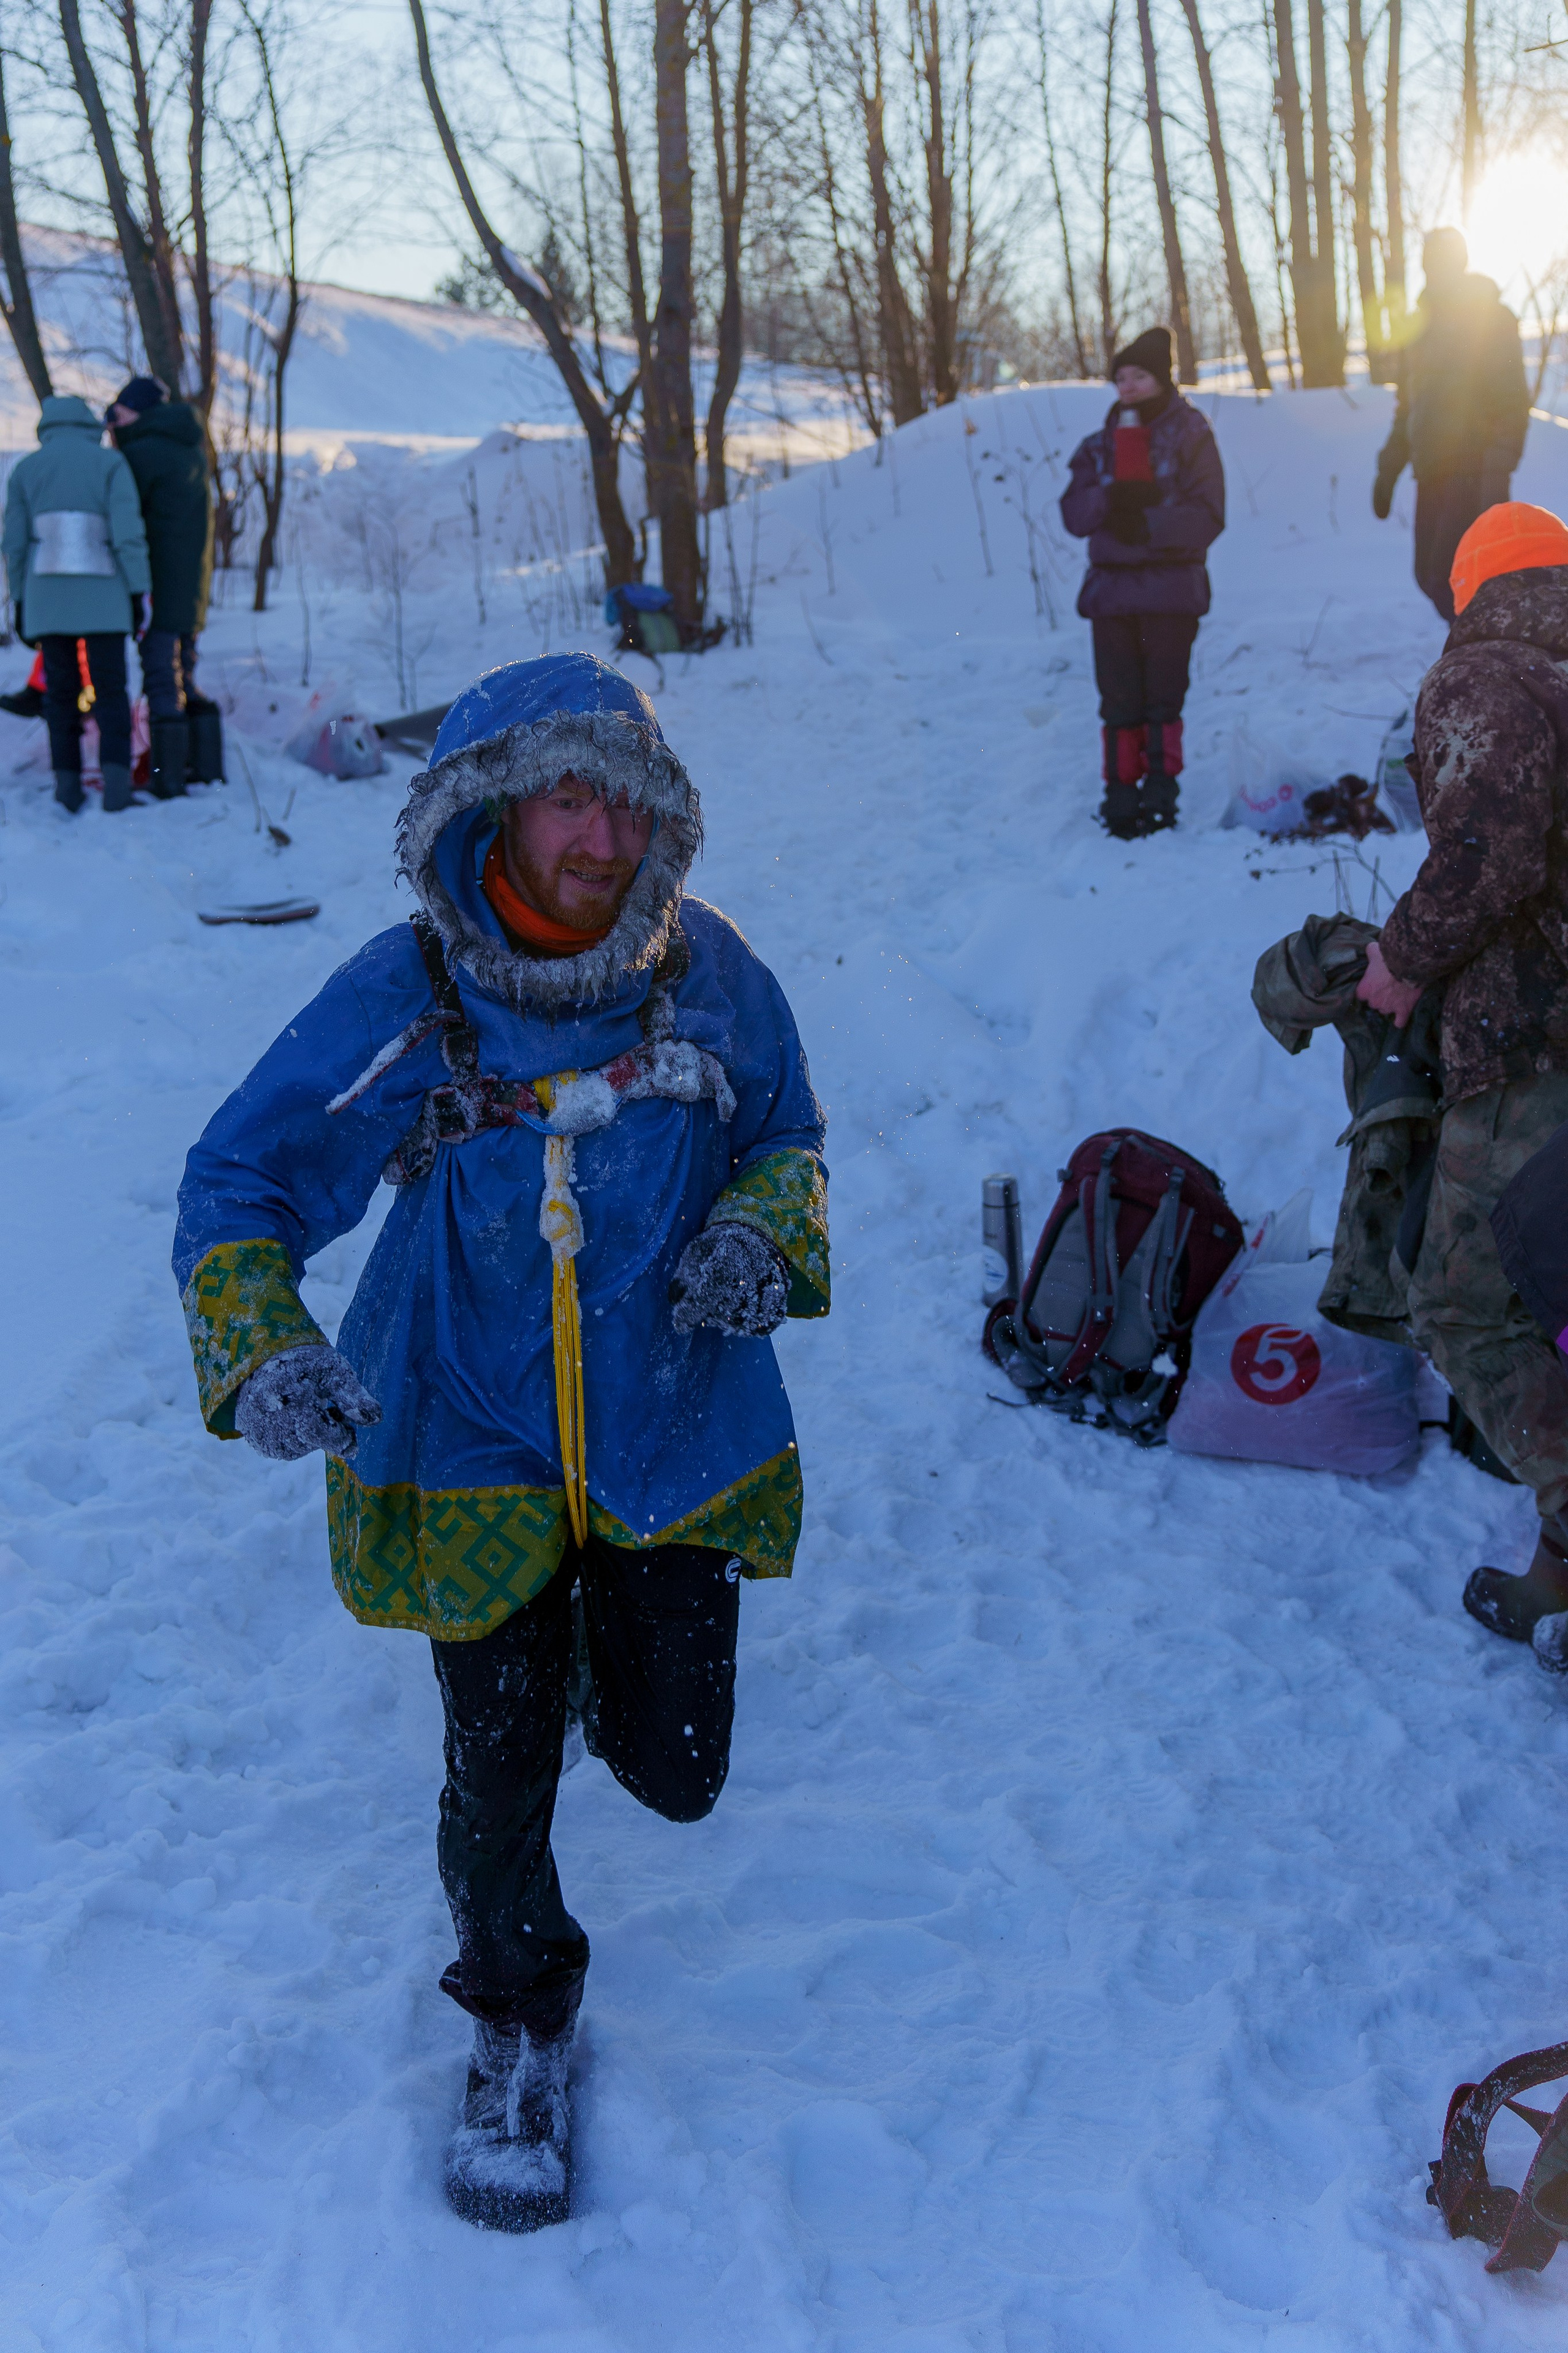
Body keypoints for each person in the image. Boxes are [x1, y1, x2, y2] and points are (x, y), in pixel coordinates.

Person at [172, 652, 830, 2232]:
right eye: (565, 792)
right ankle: (517, 2017)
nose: (599, 836)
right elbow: (236, 1180)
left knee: (676, 1771)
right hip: (462, 1427)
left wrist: (759, 1228)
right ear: (491, 806)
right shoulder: (409, 993)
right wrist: (262, 1340)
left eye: (624, 797)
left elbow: (785, 1134)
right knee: (498, 1755)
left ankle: (597, 1642)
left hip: (668, 1422)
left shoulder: (710, 972)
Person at [1355, 502, 1568, 1652]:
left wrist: (1401, 955)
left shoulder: (1487, 673)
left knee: (1462, 1298)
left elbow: (1490, 850)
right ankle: (1558, 1573)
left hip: (1537, 1044)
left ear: (1469, 591)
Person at [1060, 325, 1225, 839]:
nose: (1128, 386)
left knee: (1162, 701)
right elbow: (1073, 513)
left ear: (1163, 378)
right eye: (1121, 377)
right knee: (1119, 702)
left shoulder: (1193, 433)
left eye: (1140, 375)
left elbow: (1209, 515)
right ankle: (1120, 798)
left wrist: (1149, 523)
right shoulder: (1098, 445)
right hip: (1111, 597)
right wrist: (1111, 497)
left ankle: (1161, 795)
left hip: (1171, 594)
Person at [1372, 227, 1531, 623]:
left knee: (1457, 579)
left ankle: (1487, 660)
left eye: (1441, 261)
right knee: (1428, 575)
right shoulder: (1419, 329)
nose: (1433, 270)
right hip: (1431, 474)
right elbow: (1409, 407)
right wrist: (1389, 468)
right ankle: (1482, 651)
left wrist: (1497, 469)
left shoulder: (1490, 317)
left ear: (1460, 262)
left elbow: (1512, 401)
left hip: (1474, 471)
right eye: (1428, 262)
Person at [1, 392, 149, 814]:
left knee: (60, 695)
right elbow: (127, 534)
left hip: (48, 601)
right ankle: (117, 788)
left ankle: (67, 788)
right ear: (90, 425)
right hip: (105, 600)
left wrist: (21, 599)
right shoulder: (110, 465)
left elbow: (13, 543)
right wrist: (138, 590)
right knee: (111, 692)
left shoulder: (26, 469)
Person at [107, 374, 215, 799]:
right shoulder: (188, 446)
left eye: (119, 413)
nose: (114, 422)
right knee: (185, 674)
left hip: (160, 585)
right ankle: (205, 766)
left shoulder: (142, 453)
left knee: (160, 678)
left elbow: (123, 516)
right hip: (190, 587)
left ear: (137, 411)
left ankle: (167, 779)